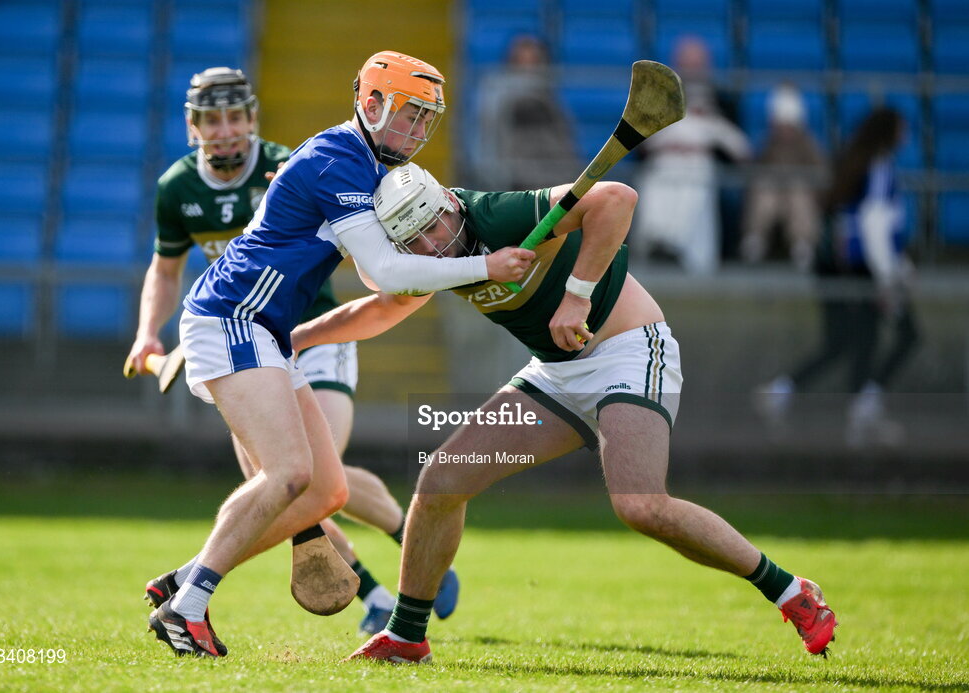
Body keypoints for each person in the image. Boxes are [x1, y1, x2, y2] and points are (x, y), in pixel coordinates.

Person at [285, 163, 838, 664]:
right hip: (555, 375)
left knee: (641, 504)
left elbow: (616, 199)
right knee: (440, 483)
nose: (433, 245)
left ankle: (791, 592)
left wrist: (577, 296)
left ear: (450, 205)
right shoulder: (434, 258)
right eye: (415, 239)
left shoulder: (495, 216)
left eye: (435, 225)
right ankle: (407, 638)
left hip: (627, 350)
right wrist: (300, 335)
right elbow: (385, 309)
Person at [144, 52, 535, 658]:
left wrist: (459, 269)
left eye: (427, 119)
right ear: (371, 103)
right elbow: (382, 269)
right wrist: (483, 265)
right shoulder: (339, 158)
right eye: (408, 115)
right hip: (232, 316)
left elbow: (385, 294)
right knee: (288, 475)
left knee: (324, 493)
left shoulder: (373, 166)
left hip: (268, 330)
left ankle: (184, 579)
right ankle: (187, 605)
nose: (417, 131)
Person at [755, 107, 919, 447]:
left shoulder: (860, 162)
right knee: (896, 336)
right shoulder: (877, 167)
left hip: (851, 264)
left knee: (853, 339)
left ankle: (794, 394)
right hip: (863, 267)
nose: (907, 136)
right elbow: (874, 225)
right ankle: (860, 409)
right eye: (902, 129)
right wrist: (890, 275)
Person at [631, 36, 750, 274]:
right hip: (662, 162)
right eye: (687, 64)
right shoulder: (657, 97)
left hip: (701, 163)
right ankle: (657, 245)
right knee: (657, 186)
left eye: (697, 64)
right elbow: (637, 143)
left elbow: (740, 148)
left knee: (694, 184)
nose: (692, 70)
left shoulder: (722, 100)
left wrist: (708, 121)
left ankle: (681, 250)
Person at [471, 34, 580, 190]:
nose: (527, 70)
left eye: (534, 62)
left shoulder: (551, 102)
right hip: (512, 182)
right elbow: (486, 139)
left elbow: (565, 148)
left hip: (549, 181)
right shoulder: (494, 93)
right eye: (521, 62)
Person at [740, 83, 827, 271]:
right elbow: (756, 171)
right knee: (764, 190)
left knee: (798, 194)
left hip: (798, 195)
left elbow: (821, 175)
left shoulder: (809, 144)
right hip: (774, 193)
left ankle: (802, 244)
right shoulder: (768, 143)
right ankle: (755, 239)